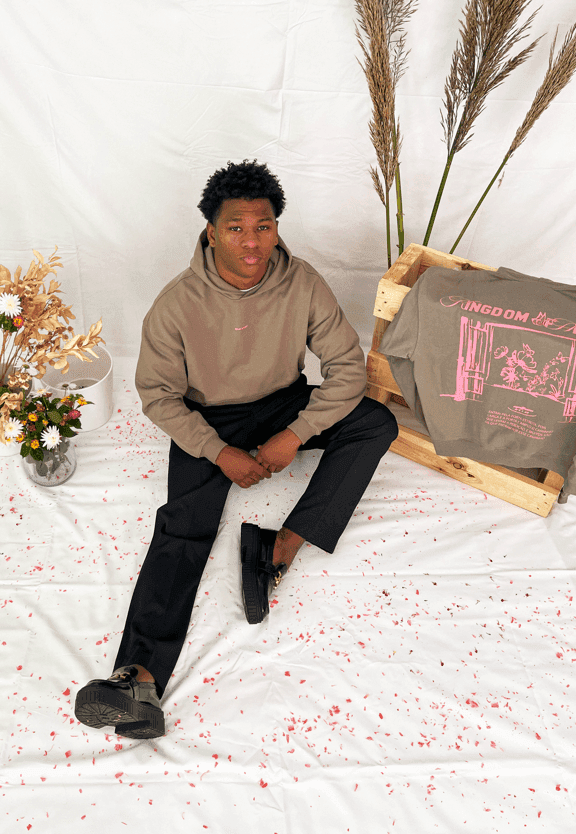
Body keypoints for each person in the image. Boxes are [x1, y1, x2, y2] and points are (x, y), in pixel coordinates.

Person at [74, 159, 398, 740]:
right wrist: (218, 452)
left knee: (374, 424)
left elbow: (348, 368)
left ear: (277, 227)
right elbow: (158, 396)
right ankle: (136, 680)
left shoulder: (303, 283)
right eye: (236, 228)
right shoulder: (175, 304)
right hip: (209, 418)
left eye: (264, 226)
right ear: (210, 231)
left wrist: (293, 434)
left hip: (284, 402)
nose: (253, 242)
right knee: (184, 527)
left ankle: (280, 545)